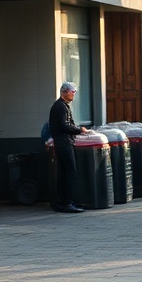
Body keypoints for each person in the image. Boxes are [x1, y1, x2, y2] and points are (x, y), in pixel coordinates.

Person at [48, 81, 87, 213]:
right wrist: (79, 130)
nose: (74, 95)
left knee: (64, 173)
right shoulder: (60, 107)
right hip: (64, 142)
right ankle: (68, 202)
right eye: (72, 92)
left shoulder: (63, 106)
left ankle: (60, 202)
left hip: (63, 142)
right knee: (70, 173)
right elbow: (64, 125)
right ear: (64, 92)